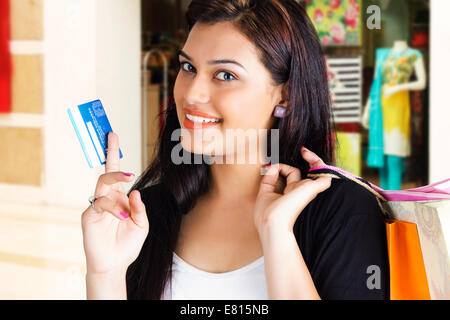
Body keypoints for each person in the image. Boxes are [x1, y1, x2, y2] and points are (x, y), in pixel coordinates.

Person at [81, 0, 389, 300]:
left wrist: (277, 233)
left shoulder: (346, 213)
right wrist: (105, 274)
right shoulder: (148, 213)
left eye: (225, 75)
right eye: (188, 67)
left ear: (286, 96)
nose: (191, 93)